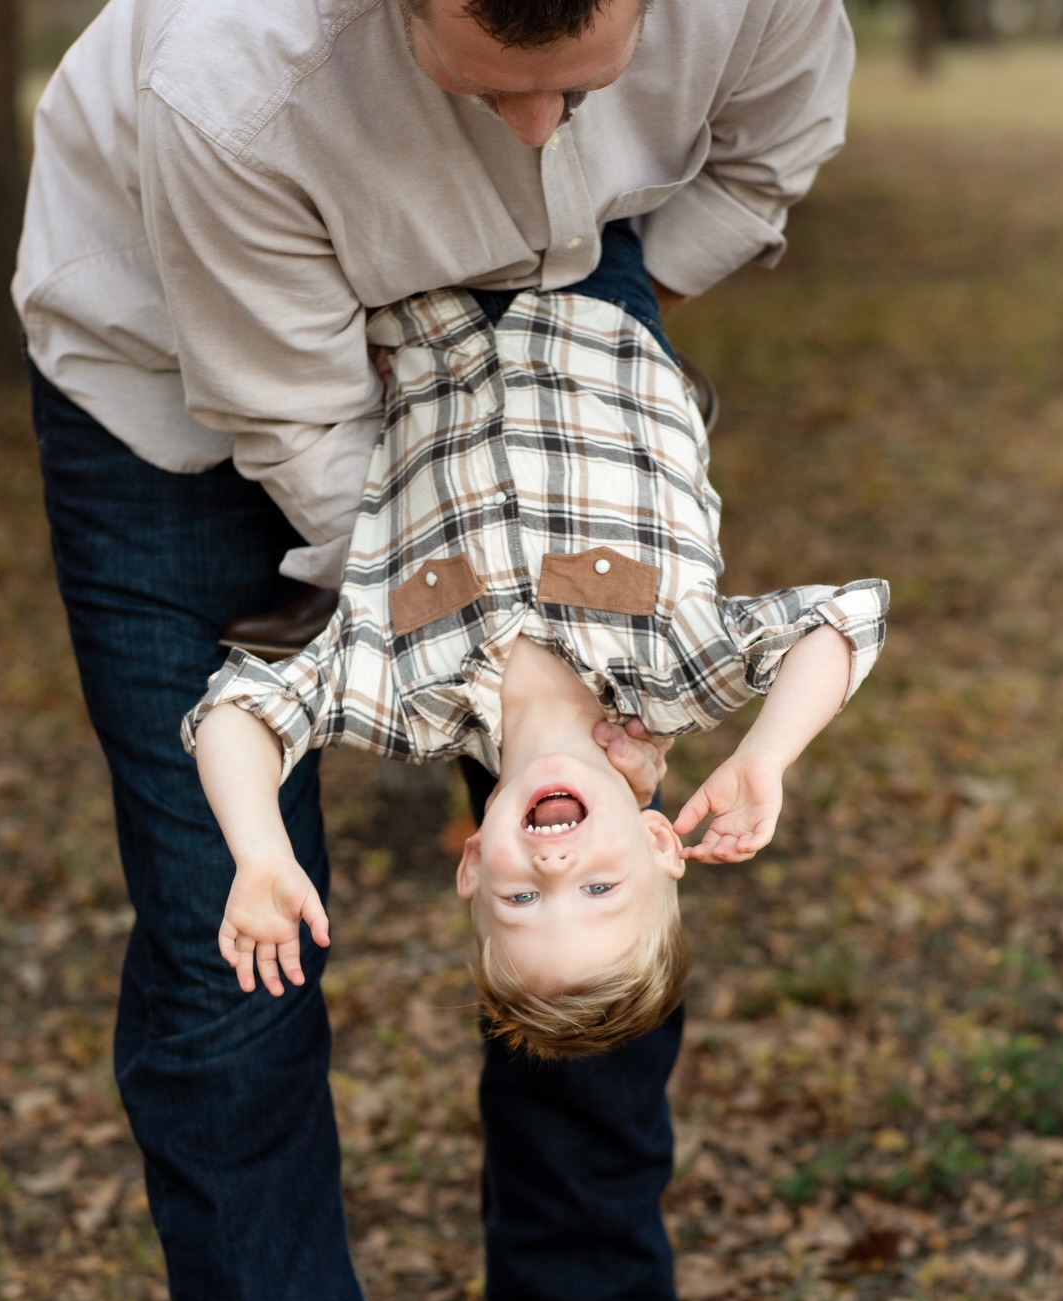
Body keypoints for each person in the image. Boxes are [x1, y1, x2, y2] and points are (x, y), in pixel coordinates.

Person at [15, 0, 860, 1301]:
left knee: (600, 925)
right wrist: (502, 659)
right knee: (229, 974)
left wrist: (594, 335)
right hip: (195, 392)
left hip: (539, 367)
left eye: (593, 83)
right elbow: (314, 451)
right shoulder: (236, 71)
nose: (554, 138)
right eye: (497, 92)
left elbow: (760, 161)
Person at [183, 275, 887, 1056]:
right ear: (660, 846)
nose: (556, 863)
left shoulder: (406, 701)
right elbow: (843, 618)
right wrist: (766, 753)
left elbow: (237, 709)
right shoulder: (673, 676)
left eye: (522, 896)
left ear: (475, 864)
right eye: (598, 889)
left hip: (414, 302)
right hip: (591, 290)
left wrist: (259, 850)